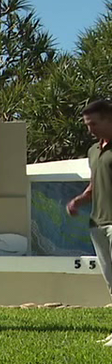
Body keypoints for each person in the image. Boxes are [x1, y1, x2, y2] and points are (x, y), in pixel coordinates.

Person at [67, 99, 112, 345]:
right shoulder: (94, 151)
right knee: (111, 280)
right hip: (98, 223)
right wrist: (79, 201)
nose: (90, 129)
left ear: (109, 118)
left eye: (94, 123)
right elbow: (96, 185)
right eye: (87, 124)